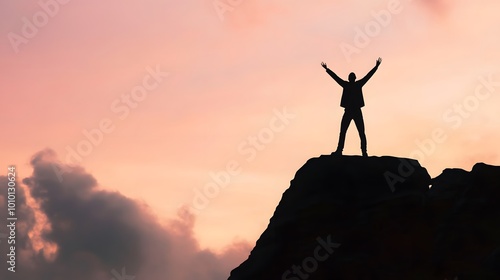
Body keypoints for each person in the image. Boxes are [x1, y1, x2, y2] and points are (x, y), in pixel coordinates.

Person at [321, 57, 382, 157]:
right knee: (351, 132)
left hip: (353, 111)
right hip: (352, 111)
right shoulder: (354, 84)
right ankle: (356, 152)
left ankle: (357, 151)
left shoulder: (349, 85)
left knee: (355, 132)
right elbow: (367, 76)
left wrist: (376, 67)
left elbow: (336, 78)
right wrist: (327, 69)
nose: (351, 78)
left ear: (351, 78)